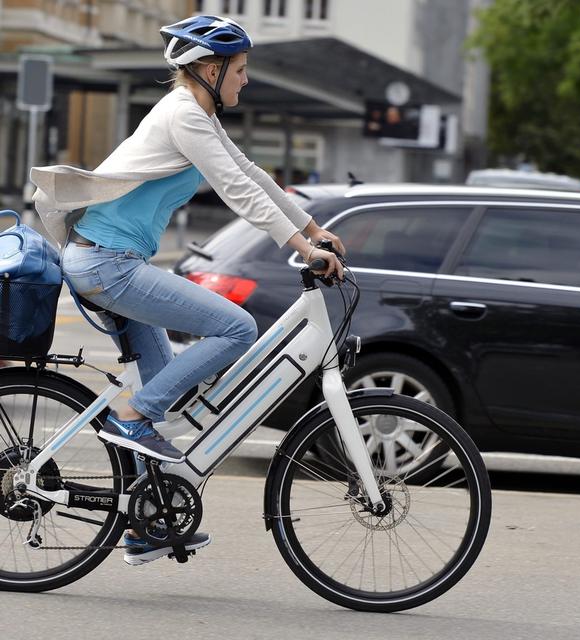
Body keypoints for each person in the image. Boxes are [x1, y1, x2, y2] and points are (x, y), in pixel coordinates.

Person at [30, 15, 345, 566]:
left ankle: (146, 524)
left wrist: (314, 229)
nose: (245, 80)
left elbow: (253, 175)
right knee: (236, 327)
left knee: (167, 404)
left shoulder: (197, 114)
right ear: (208, 67)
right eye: (240, 70)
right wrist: (301, 244)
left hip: (111, 262)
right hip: (108, 264)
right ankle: (132, 416)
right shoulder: (183, 115)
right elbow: (237, 194)